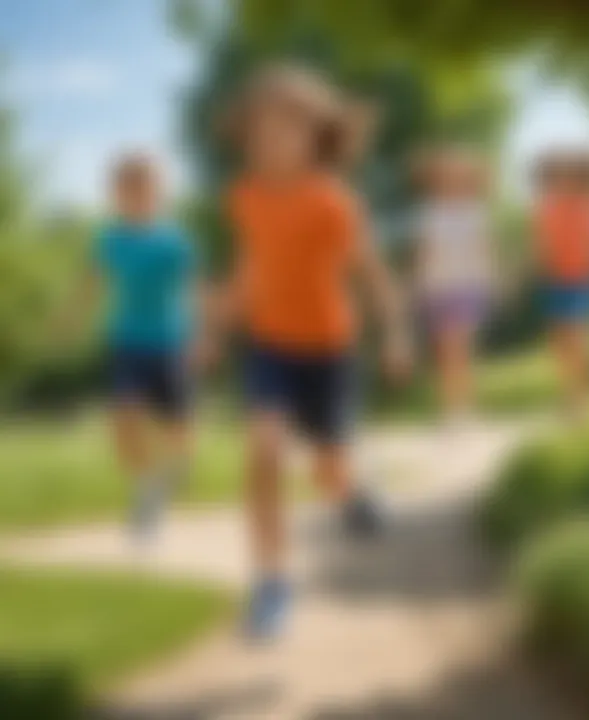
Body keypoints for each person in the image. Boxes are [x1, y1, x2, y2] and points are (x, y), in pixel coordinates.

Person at [215, 64, 411, 641]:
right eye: (259, 130)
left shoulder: (334, 202)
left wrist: (395, 334)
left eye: (285, 129)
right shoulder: (244, 198)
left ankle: (352, 493)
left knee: (328, 470)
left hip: (329, 353)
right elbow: (250, 266)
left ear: (317, 138)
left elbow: (373, 275)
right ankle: (272, 582)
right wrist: (217, 325)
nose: (269, 141)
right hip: (270, 346)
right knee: (264, 449)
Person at [66, 154, 200, 542]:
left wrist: (200, 338)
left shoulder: (175, 241)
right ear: (115, 196)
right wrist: (73, 317)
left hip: (171, 343)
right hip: (126, 342)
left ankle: (173, 471)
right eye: (125, 190)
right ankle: (145, 489)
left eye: (142, 189)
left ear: (158, 194)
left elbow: (191, 290)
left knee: (180, 430)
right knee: (124, 416)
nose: (134, 197)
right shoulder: (110, 239)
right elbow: (91, 282)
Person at [412, 146, 496, 425]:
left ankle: (465, 409)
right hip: (437, 289)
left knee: (461, 346)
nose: (453, 184)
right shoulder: (430, 214)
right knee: (446, 350)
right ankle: (451, 409)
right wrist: (418, 283)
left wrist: (491, 278)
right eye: (447, 178)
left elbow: (484, 249)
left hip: (467, 286)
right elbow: (424, 252)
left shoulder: (476, 213)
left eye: (459, 178)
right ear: (438, 183)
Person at [532, 149, 589, 419]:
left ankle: (585, 402)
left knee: (580, 341)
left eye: (568, 177)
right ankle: (571, 397)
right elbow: (542, 245)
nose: (563, 182)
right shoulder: (547, 207)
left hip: (584, 281)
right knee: (560, 343)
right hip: (556, 282)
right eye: (556, 178)